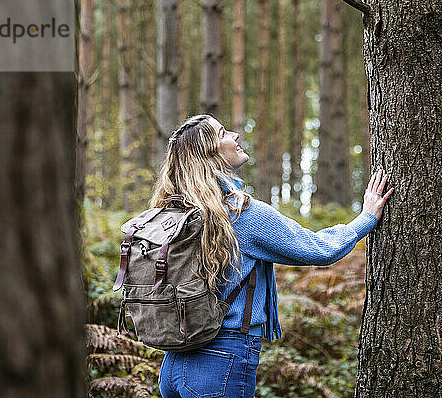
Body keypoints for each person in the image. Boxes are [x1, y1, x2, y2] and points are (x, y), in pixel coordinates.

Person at [150, 114, 394, 398]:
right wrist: (365, 218)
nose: (235, 135)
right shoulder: (241, 214)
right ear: (210, 154)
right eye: (222, 133)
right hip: (221, 358)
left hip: (172, 363)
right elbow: (319, 249)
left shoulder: (174, 212)